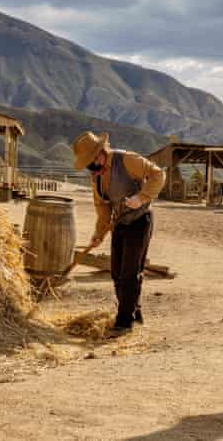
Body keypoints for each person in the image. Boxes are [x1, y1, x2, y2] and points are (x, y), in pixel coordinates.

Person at [72, 131, 165, 337]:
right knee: (117, 273)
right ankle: (134, 311)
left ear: (100, 153)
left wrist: (141, 198)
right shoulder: (95, 177)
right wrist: (98, 233)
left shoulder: (127, 160)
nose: (91, 168)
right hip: (119, 224)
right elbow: (102, 207)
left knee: (130, 273)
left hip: (140, 221)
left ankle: (124, 322)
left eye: (91, 162)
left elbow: (158, 175)